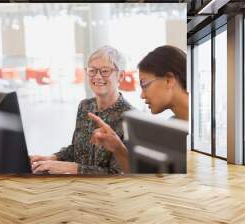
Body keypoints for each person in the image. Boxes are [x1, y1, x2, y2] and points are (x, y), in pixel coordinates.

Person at [30, 45, 133, 174]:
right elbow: (77, 149)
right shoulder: (85, 106)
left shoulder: (131, 118)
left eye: (105, 71)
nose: (97, 76)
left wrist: (72, 168)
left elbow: (116, 174)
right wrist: (53, 158)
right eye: (92, 71)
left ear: (121, 76)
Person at [89, 45, 188, 173]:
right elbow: (150, 176)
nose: (142, 95)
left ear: (169, 80)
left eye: (144, 85)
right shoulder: (174, 128)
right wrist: (118, 148)